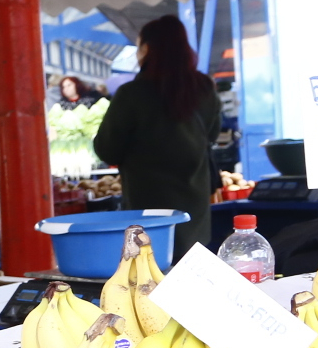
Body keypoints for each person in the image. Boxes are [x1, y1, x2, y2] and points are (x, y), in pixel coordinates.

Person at [93, 15, 222, 260]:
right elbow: (212, 135)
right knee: (191, 273)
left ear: (147, 49)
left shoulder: (132, 94)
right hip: (194, 207)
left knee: (150, 275)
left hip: (147, 209)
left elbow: (107, 149)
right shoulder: (205, 87)